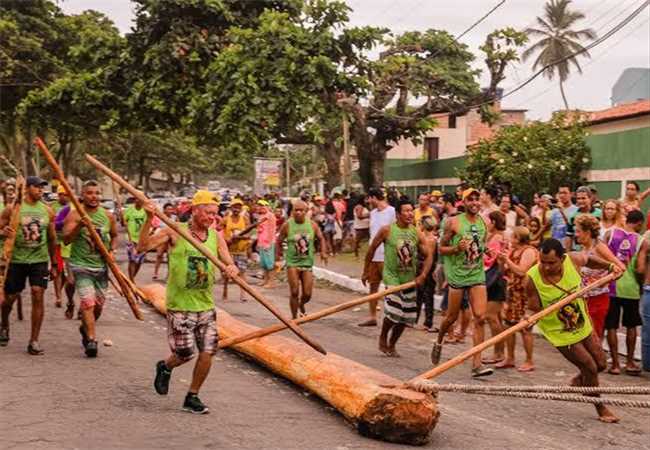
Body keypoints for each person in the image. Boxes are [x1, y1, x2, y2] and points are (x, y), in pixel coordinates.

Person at [140, 190, 239, 414]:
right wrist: (148, 219)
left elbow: (229, 264)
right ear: (195, 211)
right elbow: (142, 247)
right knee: (185, 353)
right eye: (207, 212)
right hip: (180, 305)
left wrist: (232, 269)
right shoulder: (175, 231)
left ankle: (192, 396)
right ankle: (165, 367)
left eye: (215, 214)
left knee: (208, 351)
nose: (212, 217)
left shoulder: (216, 237)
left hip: (205, 305)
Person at [524, 238, 622, 423]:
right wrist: (529, 318)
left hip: (581, 322)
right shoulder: (532, 279)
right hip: (559, 331)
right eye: (542, 262)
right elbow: (533, 307)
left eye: (551, 263)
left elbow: (590, 259)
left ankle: (581, 380)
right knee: (589, 366)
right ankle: (600, 407)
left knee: (600, 364)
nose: (545, 267)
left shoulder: (573, 259)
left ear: (562, 258)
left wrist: (610, 267)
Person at [432, 188, 493, 377]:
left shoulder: (484, 222)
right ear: (463, 202)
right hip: (458, 275)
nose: (474, 202)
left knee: (481, 317)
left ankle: (477, 363)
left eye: (477, 199)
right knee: (450, 318)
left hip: (476, 274)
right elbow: (441, 248)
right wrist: (457, 248)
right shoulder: (453, 222)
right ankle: (440, 339)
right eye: (470, 199)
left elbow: (481, 245)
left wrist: (488, 251)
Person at [363, 199, 432, 356]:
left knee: (406, 317)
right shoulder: (387, 230)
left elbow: (428, 255)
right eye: (406, 211)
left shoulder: (416, 232)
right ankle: (383, 336)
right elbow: (372, 249)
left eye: (411, 211)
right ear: (398, 214)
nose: (409, 214)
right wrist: (366, 270)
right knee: (395, 313)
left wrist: (423, 275)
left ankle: (392, 344)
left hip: (409, 279)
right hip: (391, 277)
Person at [0, 176, 56, 355]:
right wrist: (3, 232)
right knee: (10, 298)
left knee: (37, 293)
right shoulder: (13, 209)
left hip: (39, 260)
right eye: (37, 187)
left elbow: (52, 239)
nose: (41, 190)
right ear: (27, 189)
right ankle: (4, 324)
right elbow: (0, 228)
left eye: (42, 187)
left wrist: (54, 263)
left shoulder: (47, 210)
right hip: (16, 260)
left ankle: (34, 340)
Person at [62, 181, 118, 357]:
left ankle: (84, 328)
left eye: (97, 193)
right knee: (88, 303)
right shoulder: (74, 215)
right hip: (81, 266)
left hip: (101, 266)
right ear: (83, 195)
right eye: (90, 193)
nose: (94, 196)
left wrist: (112, 251)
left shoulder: (108, 216)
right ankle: (92, 340)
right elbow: (66, 240)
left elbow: (115, 236)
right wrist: (80, 225)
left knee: (98, 307)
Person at [604, 210, 644, 375]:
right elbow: (641, 269)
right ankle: (629, 362)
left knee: (611, 325)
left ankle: (614, 364)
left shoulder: (610, 234)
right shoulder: (641, 241)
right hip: (631, 289)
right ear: (639, 223)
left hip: (611, 286)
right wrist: (639, 284)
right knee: (631, 325)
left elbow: (602, 257)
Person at [276, 200, 327, 318]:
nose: (298, 213)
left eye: (301, 210)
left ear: (306, 211)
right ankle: (294, 318)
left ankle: (301, 304)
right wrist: (278, 256)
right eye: (295, 210)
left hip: (307, 262)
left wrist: (323, 252)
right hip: (292, 262)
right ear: (292, 211)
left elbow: (321, 238)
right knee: (294, 291)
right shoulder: (287, 225)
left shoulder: (312, 225)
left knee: (307, 294)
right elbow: (278, 241)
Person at [498, 226, 538, 371]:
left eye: (512, 237)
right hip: (512, 293)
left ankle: (529, 360)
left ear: (518, 238)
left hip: (524, 294)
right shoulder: (514, 250)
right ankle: (510, 358)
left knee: (525, 327)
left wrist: (507, 260)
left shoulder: (529, 251)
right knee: (508, 325)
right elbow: (505, 271)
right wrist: (502, 260)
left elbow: (522, 271)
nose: (510, 239)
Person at [360, 188, 395, 327]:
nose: (368, 202)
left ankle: (390, 316)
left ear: (374, 198)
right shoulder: (373, 213)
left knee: (389, 287)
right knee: (373, 286)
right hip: (373, 255)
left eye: (369, 199)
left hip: (387, 254)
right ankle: (372, 316)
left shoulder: (392, 211)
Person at [482, 210, 507, 364]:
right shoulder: (493, 237)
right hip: (494, 278)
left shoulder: (497, 238)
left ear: (493, 222)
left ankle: (499, 352)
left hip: (495, 279)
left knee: (492, 317)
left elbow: (493, 259)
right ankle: (498, 351)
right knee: (495, 318)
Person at [223, 199, 251, 302]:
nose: (236, 209)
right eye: (234, 207)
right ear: (231, 208)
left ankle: (243, 294)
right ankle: (225, 291)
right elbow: (219, 232)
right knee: (227, 273)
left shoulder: (245, 219)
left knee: (242, 273)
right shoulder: (226, 219)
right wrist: (227, 239)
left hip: (241, 250)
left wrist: (240, 238)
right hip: (229, 250)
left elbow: (249, 234)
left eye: (238, 207)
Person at [414, 216, 437, 332]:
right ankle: (415, 319)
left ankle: (428, 322)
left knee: (427, 297)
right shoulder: (426, 238)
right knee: (419, 295)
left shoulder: (430, 239)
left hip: (426, 270)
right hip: (422, 268)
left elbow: (430, 258)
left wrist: (424, 273)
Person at [565, 186, 602, 251]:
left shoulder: (600, 214)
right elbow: (569, 236)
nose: (581, 201)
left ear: (590, 198)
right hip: (578, 253)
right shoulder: (572, 216)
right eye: (578, 198)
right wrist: (568, 253)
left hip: (597, 251)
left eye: (583, 198)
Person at [51, 185, 69, 308]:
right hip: (56, 242)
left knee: (67, 274)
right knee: (58, 270)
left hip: (69, 243)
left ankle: (60, 292)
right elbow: (51, 224)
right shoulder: (53, 207)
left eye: (66, 194)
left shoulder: (73, 207)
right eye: (62, 194)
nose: (64, 197)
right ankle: (58, 297)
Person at [635, 228, 650, 371]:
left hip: (648, 286)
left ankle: (648, 365)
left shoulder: (647, 236)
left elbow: (639, 269)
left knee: (648, 331)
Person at [124, 198, 147, 281]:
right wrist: (124, 221)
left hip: (142, 239)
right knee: (132, 260)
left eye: (141, 199)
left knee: (139, 261)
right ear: (135, 200)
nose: (139, 201)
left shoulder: (146, 210)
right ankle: (131, 281)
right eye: (137, 199)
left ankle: (132, 278)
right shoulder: (130, 210)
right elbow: (124, 222)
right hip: (131, 239)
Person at [256, 200, 277, 288]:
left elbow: (272, 230)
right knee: (263, 264)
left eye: (263, 206)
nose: (261, 207)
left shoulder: (270, 216)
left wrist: (269, 242)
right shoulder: (261, 216)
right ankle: (265, 280)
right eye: (259, 206)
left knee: (270, 263)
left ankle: (271, 282)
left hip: (268, 243)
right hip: (261, 242)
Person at [153, 203, 177, 280]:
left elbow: (178, 228)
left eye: (171, 209)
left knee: (170, 257)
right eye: (168, 209)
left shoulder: (175, 218)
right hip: (162, 239)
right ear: (164, 210)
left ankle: (169, 274)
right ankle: (155, 273)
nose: (170, 210)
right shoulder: (160, 217)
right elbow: (155, 227)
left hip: (171, 240)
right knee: (159, 255)